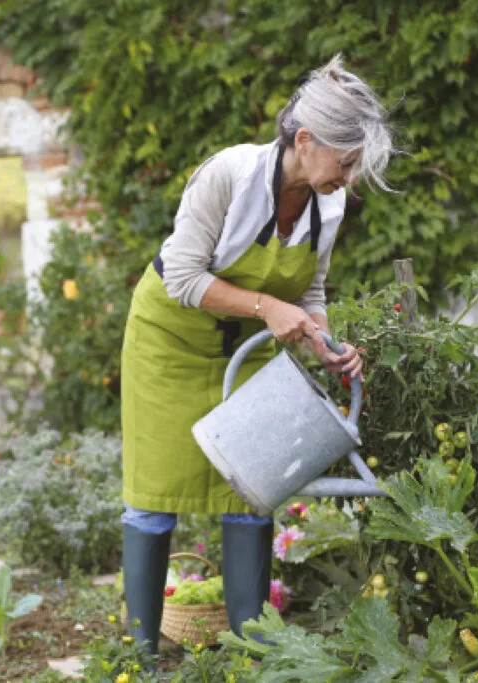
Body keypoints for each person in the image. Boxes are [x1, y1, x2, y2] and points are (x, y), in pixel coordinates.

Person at [119, 53, 393, 658]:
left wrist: (325, 343)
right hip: (169, 343)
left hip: (242, 352)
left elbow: (312, 290)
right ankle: (138, 656)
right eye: (345, 162)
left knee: (253, 485)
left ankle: (252, 650)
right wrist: (269, 307)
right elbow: (182, 277)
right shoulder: (229, 176)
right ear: (305, 140)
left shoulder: (330, 203)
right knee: (153, 495)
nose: (348, 179)